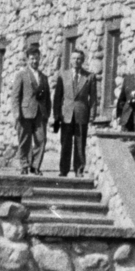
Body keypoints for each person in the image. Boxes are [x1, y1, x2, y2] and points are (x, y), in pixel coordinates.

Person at [6, 41, 51, 175]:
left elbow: (47, 97)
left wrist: (47, 113)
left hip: (40, 114)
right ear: (27, 59)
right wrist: (16, 113)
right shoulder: (21, 74)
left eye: (37, 58)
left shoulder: (43, 77)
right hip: (24, 113)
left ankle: (35, 166)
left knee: (41, 140)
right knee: (24, 140)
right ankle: (24, 165)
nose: (35, 61)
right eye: (32, 58)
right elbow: (15, 96)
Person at [51, 48, 96, 177]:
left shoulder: (90, 76)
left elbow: (93, 99)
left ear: (83, 61)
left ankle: (79, 169)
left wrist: (92, 116)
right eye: (74, 58)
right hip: (66, 114)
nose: (76, 61)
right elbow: (57, 97)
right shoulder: (63, 75)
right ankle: (63, 170)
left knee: (80, 143)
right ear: (70, 60)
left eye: (79, 59)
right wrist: (56, 115)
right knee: (65, 143)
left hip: (82, 114)